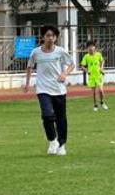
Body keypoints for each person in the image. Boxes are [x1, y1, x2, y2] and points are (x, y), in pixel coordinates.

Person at [24, 25, 75, 156]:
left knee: (60, 118)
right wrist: (27, 83)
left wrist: (64, 74)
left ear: (56, 38)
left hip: (59, 89)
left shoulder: (60, 51)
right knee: (47, 115)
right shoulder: (36, 52)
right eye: (48, 35)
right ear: (43, 37)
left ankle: (62, 144)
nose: (50, 38)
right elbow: (30, 66)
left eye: (53, 36)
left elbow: (72, 64)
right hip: (43, 89)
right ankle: (52, 140)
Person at [80, 40, 107, 112]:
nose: (91, 48)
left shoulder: (98, 54)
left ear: (94, 47)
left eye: (92, 46)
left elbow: (102, 61)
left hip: (99, 75)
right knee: (94, 92)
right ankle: (95, 105)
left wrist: (101, 68)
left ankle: (102, 102)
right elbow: (82, 66)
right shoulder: (86, 57)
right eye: (89, 47)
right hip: (91, 76)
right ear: (87, 48)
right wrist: (87, 71)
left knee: (101, 91)